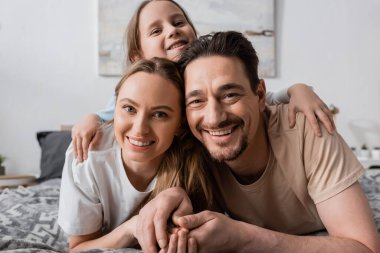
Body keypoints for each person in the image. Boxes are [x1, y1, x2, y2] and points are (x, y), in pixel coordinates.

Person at [135, 31, 380, 253]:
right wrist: (172, 193)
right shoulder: (192, 142)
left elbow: (364, 248)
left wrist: (243, 237)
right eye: (196, 101)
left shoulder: (308, 127)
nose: (214, 118)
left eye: (230, 95)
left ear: (260, 95)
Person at [71, 0, 335, 162]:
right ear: (138, 55)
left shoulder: (206, 78)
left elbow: (256, 98)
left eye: (178, 22)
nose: (172, 30)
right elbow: (109, 115)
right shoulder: (134, 97)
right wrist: (90, 119)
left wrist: (297, 90)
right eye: (156, 30)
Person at [58, 57, 209, 252]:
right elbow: (78, 248)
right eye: (129, 109)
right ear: (114, 109)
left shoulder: (196, 159)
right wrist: (132, 228)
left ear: (180, 124)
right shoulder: (87, 156)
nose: (140, 129)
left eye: (159, 114)